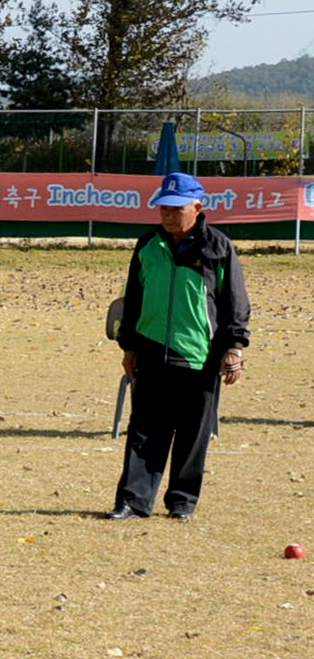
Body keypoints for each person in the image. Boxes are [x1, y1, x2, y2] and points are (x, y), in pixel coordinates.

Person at [109, 172, 249, 521]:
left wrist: (234, 347)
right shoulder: (147, 246)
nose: (168, 215)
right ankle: (133, 501)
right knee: (144, 431)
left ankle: (182, 503)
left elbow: (235, 302)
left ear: (198, 207)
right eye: (162, 208)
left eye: (176, 208)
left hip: (200, 355)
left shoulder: (218, 247)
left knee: (192, 434)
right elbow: (134, 298)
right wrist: (129, 345)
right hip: (152, 349)